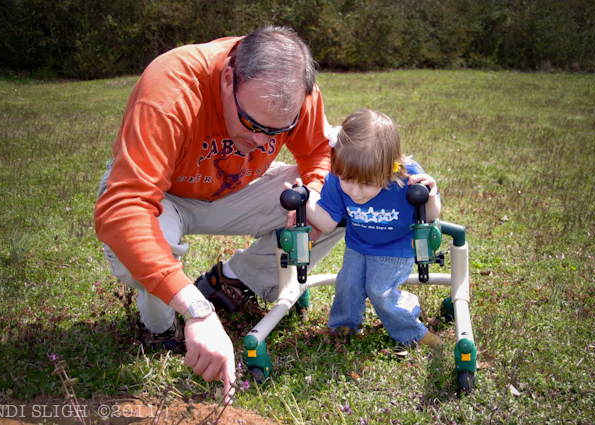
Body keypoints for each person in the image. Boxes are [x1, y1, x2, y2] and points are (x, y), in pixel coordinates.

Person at [94, 26, 344, 400]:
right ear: (228, 78)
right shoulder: (171, 88)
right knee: (142, 247)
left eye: (278, 130)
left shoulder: (295, 90)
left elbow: (317, 151)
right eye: (252, 123)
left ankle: (231, 282)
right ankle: (161, 329)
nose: (262, 141)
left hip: (236, 190)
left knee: (342, 197)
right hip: (165, 195)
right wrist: (196, 312)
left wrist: (315, 190)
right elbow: (126, 205)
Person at [287, 109, 443, 348]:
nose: (355, 192)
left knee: (379, 290)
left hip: (396, 247)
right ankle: (343, 327)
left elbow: (430, 215)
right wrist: (305, 199)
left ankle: (412, 332)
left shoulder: (408, 178)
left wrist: (430, 195)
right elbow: (328, 222)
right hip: (358, 245)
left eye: (368, 184)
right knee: (347, 284)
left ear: (390, 168)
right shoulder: (337, 177)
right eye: (348, 180)